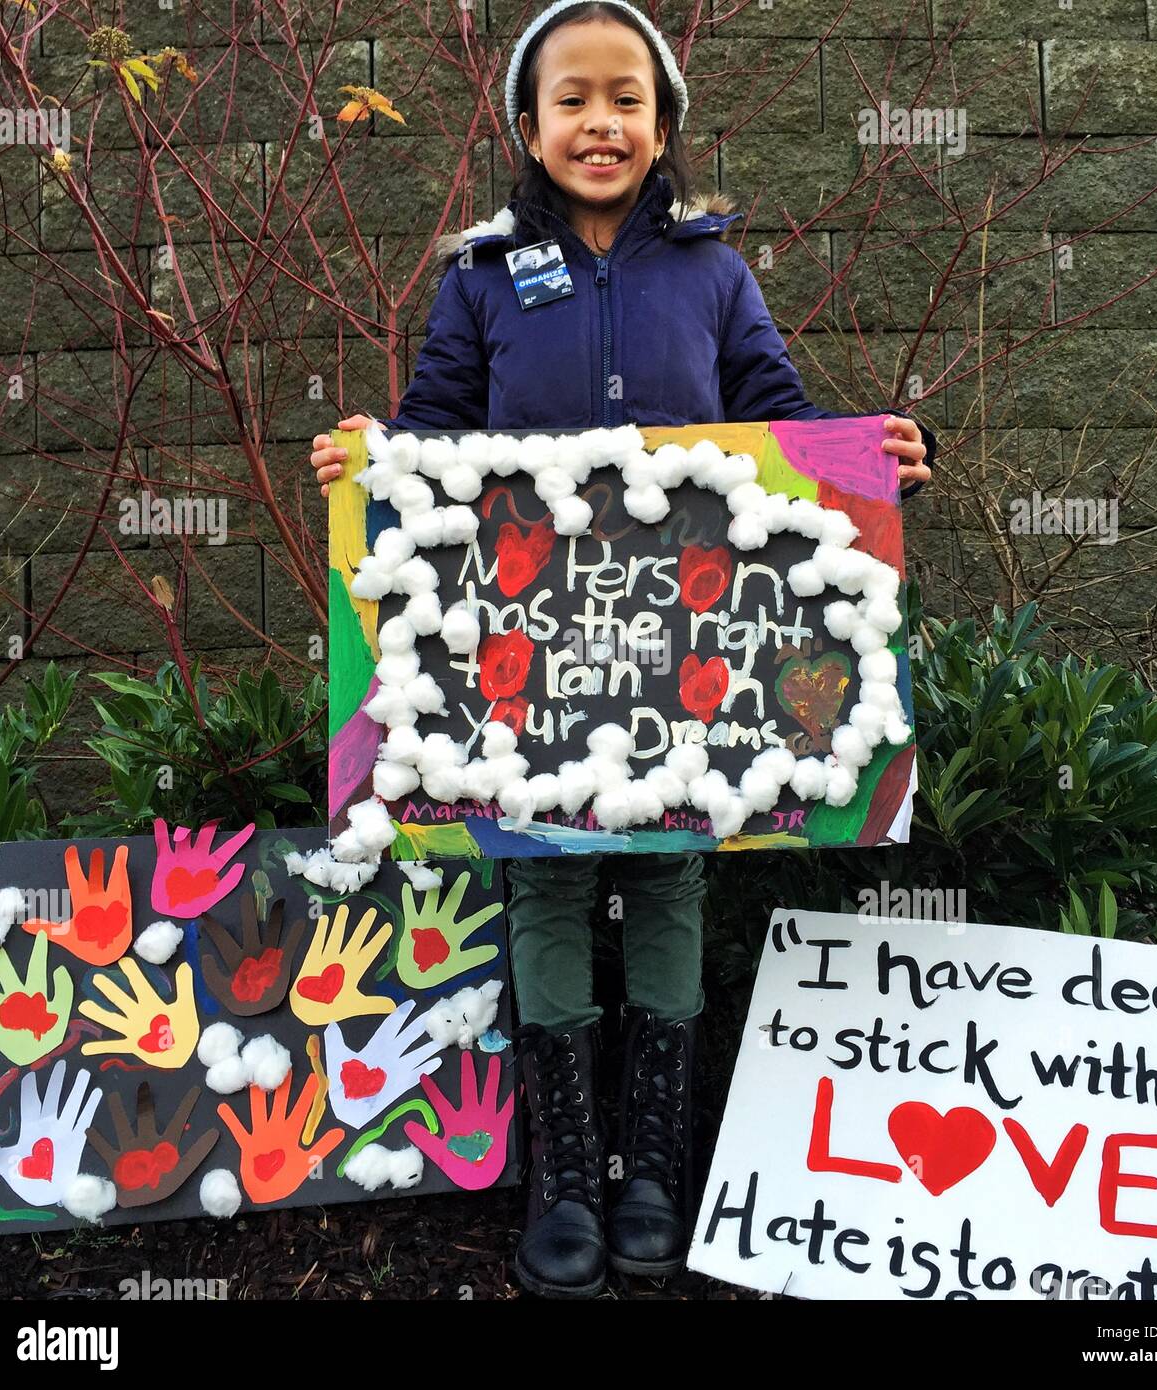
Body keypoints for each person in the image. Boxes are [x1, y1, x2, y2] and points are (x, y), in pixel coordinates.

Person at [309, 0, 936, 1299]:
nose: (601, 121)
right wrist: (374, 458)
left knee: (666, 878)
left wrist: (867, 469)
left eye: (627, 99)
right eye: (572, 100)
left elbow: (776, 413)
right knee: (540, 880)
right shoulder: (479, 277)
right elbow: (435, 429)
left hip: (690, 650)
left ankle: (655, 1163)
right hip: (523, 656)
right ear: (528, 128)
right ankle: (568, 1172)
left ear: (664, 125)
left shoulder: (712, 272)